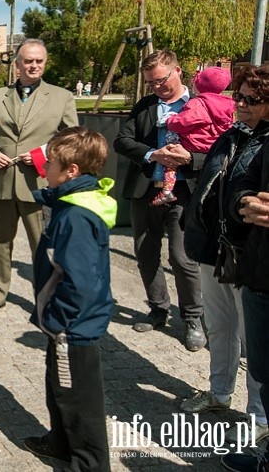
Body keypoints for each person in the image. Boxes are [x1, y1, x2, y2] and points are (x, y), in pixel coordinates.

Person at [181, 65, 269, 443]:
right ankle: (219, 393)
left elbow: (247, 186)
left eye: (252, 100)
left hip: (247, 254)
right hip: (212, 247)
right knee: (219, 326)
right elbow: (224, 175)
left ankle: (259, 417)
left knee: (255, 339)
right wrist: (188, 162)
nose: (241, 106)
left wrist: (244, 204)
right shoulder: (234, 133)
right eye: (240, 97)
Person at [22, 126, 115, 471]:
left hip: (72, 328)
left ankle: (89, 462)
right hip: (65, 325)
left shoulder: (76, 216)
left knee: (78, 400)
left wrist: (60, 322)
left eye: (50, 164)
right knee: (59, 388)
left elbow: (80, 283)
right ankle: (60, 443)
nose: (44, 169)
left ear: (71, 171)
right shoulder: (71, 199)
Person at [113, 49, 206, 351]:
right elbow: (122, 141)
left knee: (182, 257)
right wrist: (153, 154)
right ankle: (158, 310)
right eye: (151, 83)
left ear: (178, 71)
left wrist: (190, 158)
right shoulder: (145, 106)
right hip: (147, 189)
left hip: (183, 192)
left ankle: (192, 317)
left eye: (161, 81)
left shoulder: (200, 105)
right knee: (146, 252)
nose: (157, 88)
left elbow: (217, 152)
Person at [0, 39, 78, 316]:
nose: (33, 66)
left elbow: (73, 139)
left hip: (41, 184)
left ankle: (47, 297)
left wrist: (42, 154)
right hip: (3, 181)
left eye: (39, 61)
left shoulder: (62, 97)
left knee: (43, 246)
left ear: (45, 63)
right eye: (28, 61)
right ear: (17, 64)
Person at [221, 92, 269, 472]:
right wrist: (244, 203)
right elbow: (242, 182)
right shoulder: (263, 139)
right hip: (261, 272)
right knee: (264, 370)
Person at [153, 66, 236, 206]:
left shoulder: (199, 103)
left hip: (194, 145)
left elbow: (183, 122)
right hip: (214, 147)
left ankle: (167, 191)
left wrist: (170, 121)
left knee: (170, 159)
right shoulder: (228, 104)